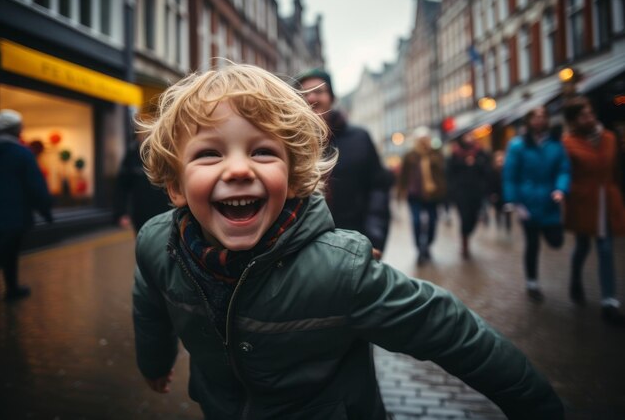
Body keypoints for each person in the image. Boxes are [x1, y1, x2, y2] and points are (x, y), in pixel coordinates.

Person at [132, 64, 563, 419]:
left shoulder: (341, 271)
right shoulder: (157, 244)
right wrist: (154, 360)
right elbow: (150, 305)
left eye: (263, 151)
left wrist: (536, 404)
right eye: (210, 153)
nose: (239, 169)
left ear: (295, 176)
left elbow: (449, 329)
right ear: (175, 186)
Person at [296, 68, 391, 255]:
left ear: (332, 97)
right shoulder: (290, 141)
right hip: (307, 249)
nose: (311, 98)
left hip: (357, 241)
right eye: (304, 93)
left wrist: (374, 237)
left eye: (318, 91)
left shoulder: (359, 138)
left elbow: (378, 188)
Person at [561, 95, 625, 326]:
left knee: (606, 249)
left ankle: (609, 301)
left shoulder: (609, 138)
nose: (589, 118)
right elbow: (565, 172)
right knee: (582, 246)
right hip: (584, 202)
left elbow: (617, 169)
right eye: (583, 115)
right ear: (574, 120)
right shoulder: (568, 143)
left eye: (590, 113)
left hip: (607, 200)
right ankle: (576, 278)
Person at [503, 106, 570, 302]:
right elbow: (510, 176)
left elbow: (564, 169)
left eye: (543, 116)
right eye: (536, 117)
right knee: (532, 244)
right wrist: (513, 201)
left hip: (550, 201)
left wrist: (561, 188)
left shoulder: (556, 144)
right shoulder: (517, 146)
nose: (540, 120)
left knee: (556, 241)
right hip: (528, 204)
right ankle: (532, 282)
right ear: (528, 121)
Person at [0, 109, 53, 301]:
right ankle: (12, 288)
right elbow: (35, 186)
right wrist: (46, 212)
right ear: (17, 130)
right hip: (14, 216)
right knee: (10, 253)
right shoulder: (22, 154)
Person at [396, 126, 447, 263]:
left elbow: (443, 173)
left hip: (433, 194)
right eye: (421, 139)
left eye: (426, 139)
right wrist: (400, 193)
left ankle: (428, 245)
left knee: (432, 222)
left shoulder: (436, 153)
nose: (423, 142)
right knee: (417, 221)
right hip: (415, 195)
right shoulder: (410, 155)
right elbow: (403, 176)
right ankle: (419, 248)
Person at [113, 121, 171, 233]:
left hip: (166, 215)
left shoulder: (165, 153)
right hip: (141, 216)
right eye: (143, 132)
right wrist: (121, 213)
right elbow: (121, 187)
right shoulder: (131, 155)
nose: (146, 136)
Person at [447, 132, 491, 258]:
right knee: (464, 218)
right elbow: (450, 173)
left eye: (471, 136)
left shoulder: (480, 153)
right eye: (466, 136)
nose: (469, 139)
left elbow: (486, 171)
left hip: (476, 192)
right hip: (461, 193)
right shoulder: (455, 155)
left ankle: (468, 232)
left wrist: (475, 162)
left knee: (474, 217)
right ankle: (465, 244)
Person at [488, 150, 511, 235]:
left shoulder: (507, 170)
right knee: (498, 211)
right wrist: (492, 194)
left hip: (506, 194)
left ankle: (508, 228)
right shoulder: (492, 171)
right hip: (497, 195)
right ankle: (499, 226)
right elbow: (490, 184)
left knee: (508, 212)